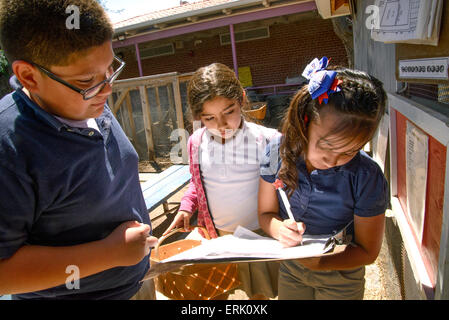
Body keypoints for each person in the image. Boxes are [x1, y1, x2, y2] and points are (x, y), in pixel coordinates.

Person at [0, 0, 157, 300]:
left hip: (135, 285)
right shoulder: (8, 147)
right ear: (29, 76)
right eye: (87, 80)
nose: (108, 89)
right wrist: (109, 254)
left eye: (110, 69)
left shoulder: (84, 100)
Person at [258, 57, 389, 300]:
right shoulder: (276, 152)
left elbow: (368, 251)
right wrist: (279, 229)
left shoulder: (366, 176)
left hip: (341, 273)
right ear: (304, 122)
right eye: (327, 146)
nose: (333, 160)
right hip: (291, 266)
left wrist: (319, 263)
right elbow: (266, 214)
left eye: (350, 151)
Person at [163, 62, 280, 300]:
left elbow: (285, 188)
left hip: (260, 236)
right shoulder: (196, 142)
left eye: (229, 112)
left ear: (242, 100)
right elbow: (197, 183)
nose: (222, 125)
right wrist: (187, 207)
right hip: (217, 238)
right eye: (209, 118)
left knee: (259, 295)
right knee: (214, 295)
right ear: (198, 117)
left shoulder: (268, 141)